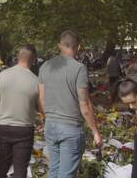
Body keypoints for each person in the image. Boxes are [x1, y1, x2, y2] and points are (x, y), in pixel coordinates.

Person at [38, 30, 103, 178]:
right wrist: (95, 131)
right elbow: (85, 104)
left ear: (59, 46)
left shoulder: (46, 66)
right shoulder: (79, 68)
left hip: (51, 125)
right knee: (66, 174)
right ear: (78, 47)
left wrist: (45, 118)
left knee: (54, 170)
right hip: (70, 127)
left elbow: (41, 98)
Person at [0, 45, 43, 178]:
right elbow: (41, 107)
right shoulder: (36, 81)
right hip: (24, 129)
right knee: (20, 169)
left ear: (18, 57)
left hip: (3, 126)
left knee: (3, 164)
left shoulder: (2, 75)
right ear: (33, 60)